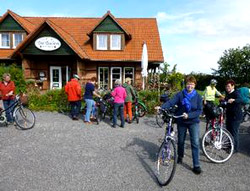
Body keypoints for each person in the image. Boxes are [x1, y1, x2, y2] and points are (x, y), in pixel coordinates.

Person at [161, 75, 203, 175]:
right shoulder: (180, 94)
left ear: (195, 85)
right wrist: (161, 107)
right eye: (188, 84)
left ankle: (196, 165)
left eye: (192, 84)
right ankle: (180, 156)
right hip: (181, 121)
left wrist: (189, 115)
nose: (190, 86)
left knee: (195, 143)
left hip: (193, 121)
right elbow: (171, 102)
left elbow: (199, 111)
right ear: (186, 84)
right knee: (180, 141)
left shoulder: (198, 97)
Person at [224, 80, 243, 153]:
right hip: (229, 116)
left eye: (228, 86)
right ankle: (229, 146)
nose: (227, 87)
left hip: (236, 117)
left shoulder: (236, 92)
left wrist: (234, 100)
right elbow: (226, 102)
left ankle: (235, 149)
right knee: (228, 131)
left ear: (233, 86)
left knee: (234, 132)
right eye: (226, 86)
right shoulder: (227, 93)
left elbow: (240, 100)